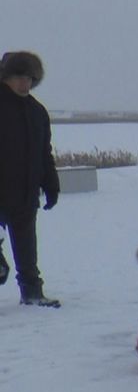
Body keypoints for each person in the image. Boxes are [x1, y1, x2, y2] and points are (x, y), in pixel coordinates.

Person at [0, 51, 60, 307]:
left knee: (26, 247)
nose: (25, 83)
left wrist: (51, 184)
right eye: (19, 78)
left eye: (29, 78)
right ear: (6, 78)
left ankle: (32, 292)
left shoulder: (37, 112)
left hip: (25, 192)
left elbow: (44, 152)